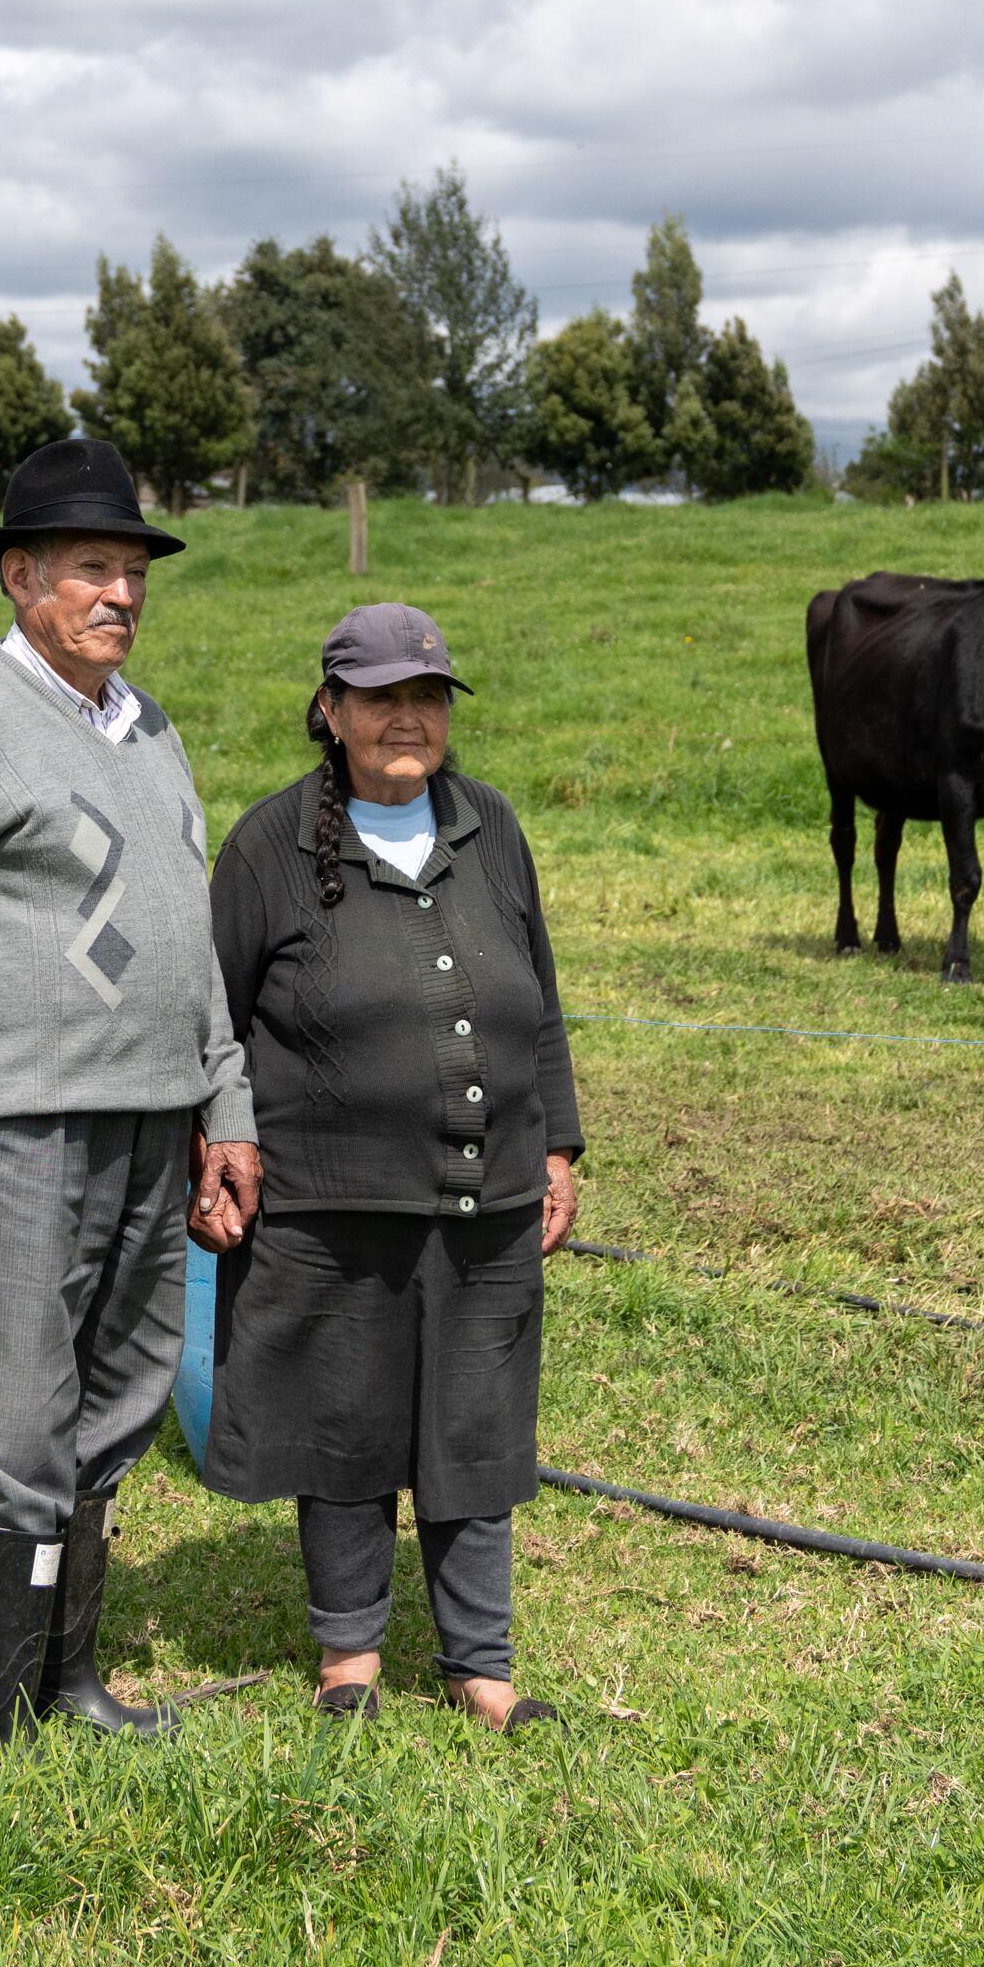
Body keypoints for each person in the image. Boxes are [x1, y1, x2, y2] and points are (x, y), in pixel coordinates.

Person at [0, 434, 262, 1742]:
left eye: (136, 573)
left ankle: (70, 1681)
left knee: (117, 1402)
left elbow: (190, 941)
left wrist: (225, 1111)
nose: (123, 596)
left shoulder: (153, 735)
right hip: (18, 1135)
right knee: (15, 1412)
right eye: (93, 569)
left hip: (153, 1129)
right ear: (18, 576)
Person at [199, 601, 581, 1731]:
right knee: (344, 1423)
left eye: (425, 697)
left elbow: (542, 1002)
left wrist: (556, 1142)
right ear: (331, 712)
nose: (404, 718)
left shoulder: (489, 825)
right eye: (378, 699)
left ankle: (483, 1669)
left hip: (489, 1192)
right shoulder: (269, 846)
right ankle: (349, 1660)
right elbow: (210, 1020)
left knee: (477, 1422)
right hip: (327, 1202)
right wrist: (218, 1142)